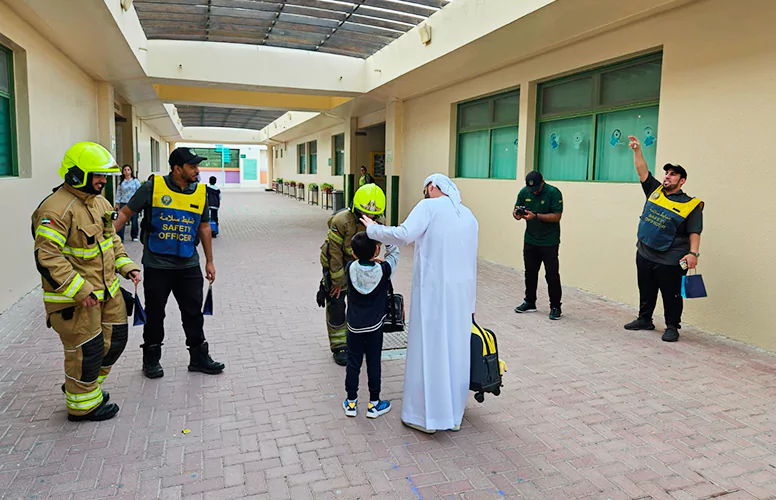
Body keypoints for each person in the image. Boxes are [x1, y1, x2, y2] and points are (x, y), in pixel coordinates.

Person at [32, 142, 141, 421]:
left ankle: (83, 387)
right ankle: (81, 406)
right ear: (76, 174)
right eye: (97, 175)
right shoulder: (55, 209)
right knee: (87, 351)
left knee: (115, 341)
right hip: (78, 300)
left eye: (104, 175)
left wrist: (126, 267)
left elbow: (111, 240)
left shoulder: (100, 202)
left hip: (108, 293)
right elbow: (48, 257)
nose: (103, 180)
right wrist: (80, 290)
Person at [361, 173, 478, 434]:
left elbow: (404, 235)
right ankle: (452, 415)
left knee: (430, 349)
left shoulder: (429, 207)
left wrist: (372, 229)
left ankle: (425, 418)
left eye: (425, 189)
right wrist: (471, 302)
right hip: (460, 297)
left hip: (433, 294)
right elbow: (473, 262)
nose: (424, 194)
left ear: (433, 186)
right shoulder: (468, 215)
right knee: (454, 352)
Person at [114, 147, 225, 378]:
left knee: (193, 313)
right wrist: (105, 242)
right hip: (157, 265)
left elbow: (204, 226)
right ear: (177, 168)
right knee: (155, 315)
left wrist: (210, 261)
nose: (197, 170)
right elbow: (125, 214)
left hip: (188, 264)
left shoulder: (200, 192)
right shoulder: (152, 187)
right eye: (192, 166)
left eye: (197, 166)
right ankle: (151, 359)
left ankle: (199, 357)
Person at [624, 135, 703, 342]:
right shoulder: (655, 191)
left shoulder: (690, 205)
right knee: (646, 288)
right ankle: (644, 319)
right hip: (645, 251)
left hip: (671, 257)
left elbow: (695, 231)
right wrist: (637, 151)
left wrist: (693, 253)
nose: (667, 177)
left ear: (682, 180)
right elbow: (642, 171)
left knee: (672, 294)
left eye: (673, 174)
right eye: (666, 173)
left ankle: (672, 327)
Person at [319, 184, 386, 366]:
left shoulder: (378, 223)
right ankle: (339, 345)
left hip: (359, 266)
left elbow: (375, 249)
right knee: (337, 304)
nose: (369, 217)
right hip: (337, 266)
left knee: (360, 304)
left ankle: (357, 339)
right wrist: (337, 282)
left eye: (373, 214)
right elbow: (335, 253)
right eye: (365, 213)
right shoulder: (341, 221)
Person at [342, 232, 399, 419]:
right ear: (376, 250)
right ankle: (374, 403)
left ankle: (351, 402)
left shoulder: (350, 267)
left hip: (354, 326)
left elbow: (362, 261)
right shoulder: (383, 270)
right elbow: (394, 253)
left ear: (354, 254)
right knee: (373, 363)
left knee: (353, 363)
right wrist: (381, 233)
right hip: (375, 327)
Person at [513, 171, 564, 320]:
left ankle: (555, 306)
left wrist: (536, 216)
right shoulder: (524, 192)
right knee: (530, 272)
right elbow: (515, 211)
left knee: (552, 275)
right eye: (531, 189)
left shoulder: (553, 193)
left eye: (536, 188)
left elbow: (556, 216)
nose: (534, 191)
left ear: (542, 182)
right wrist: (517, 214)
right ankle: (529, 302)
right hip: (530, 240)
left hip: (549, 241)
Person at [115, 164, 142, 241]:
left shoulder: (135, 181)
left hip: (133, 202)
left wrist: (139, 201)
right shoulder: (121, 182)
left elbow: (139, 191)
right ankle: (120, 237)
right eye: (125, 170)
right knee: (122, 219)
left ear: (131, 171)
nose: (127, 171)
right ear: (123, 172)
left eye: (128, 170)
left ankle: (134, 235)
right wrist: (117, 203)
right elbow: (119, 192)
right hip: (124, 202)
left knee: (134, 220)